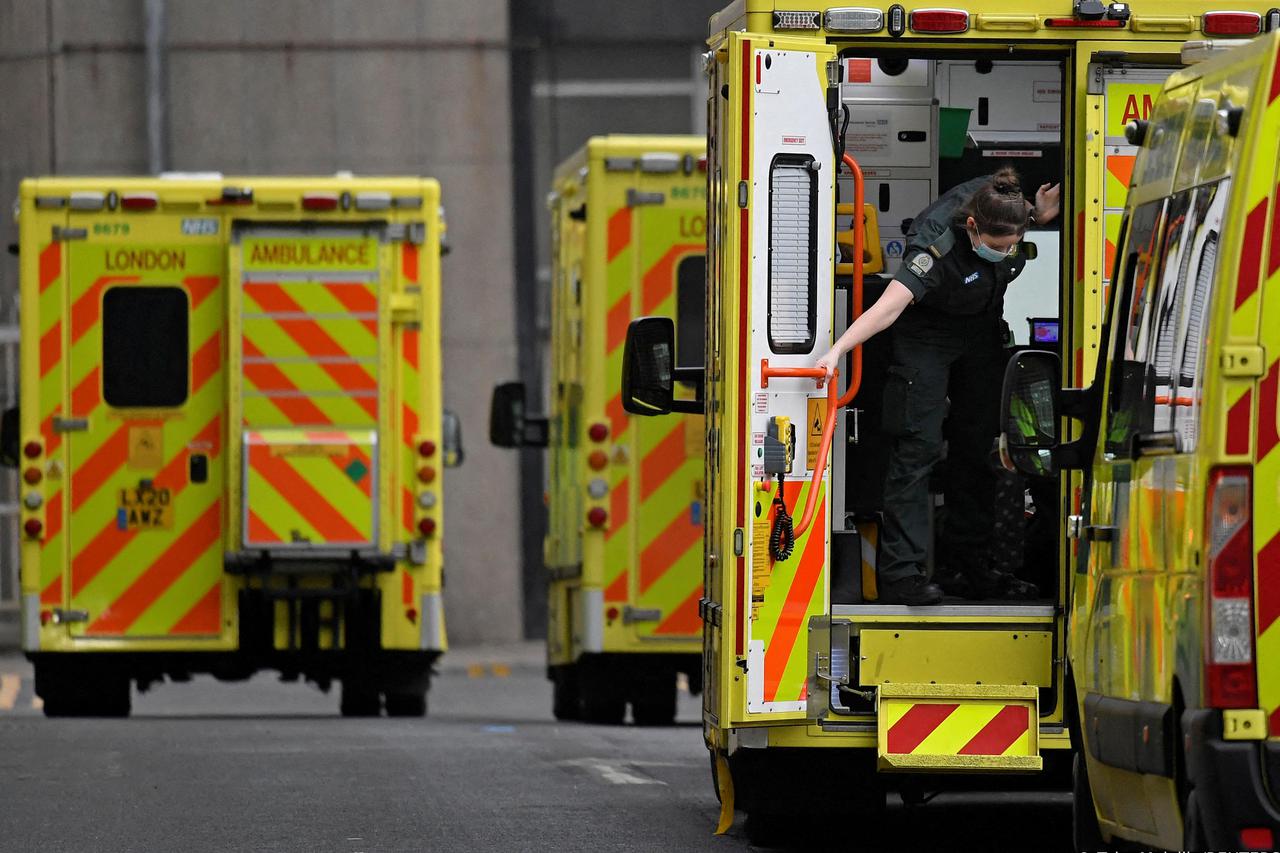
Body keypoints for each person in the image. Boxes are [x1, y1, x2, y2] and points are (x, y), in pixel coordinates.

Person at [816, 167, 1060, 605]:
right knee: (918, 449)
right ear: (971, 228)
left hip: (982, 332)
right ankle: (902, 575)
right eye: (999, 248)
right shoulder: (934, 246)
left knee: (981, 446)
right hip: (925, 337)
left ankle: (969, 567)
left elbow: (1019, 222)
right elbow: (888, 308)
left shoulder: (1007, 208)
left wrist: (1040, 217)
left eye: (1014, 248)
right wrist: (837, 352)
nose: (1007, 255)